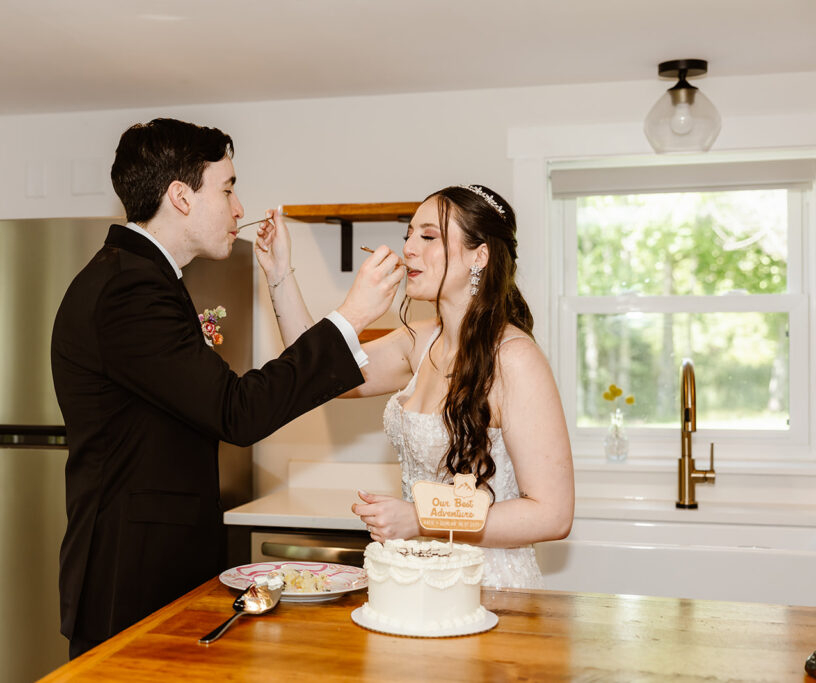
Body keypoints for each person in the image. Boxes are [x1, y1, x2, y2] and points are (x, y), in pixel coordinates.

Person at [50, 118, 404, 658]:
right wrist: (351, 315)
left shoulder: (140, 277)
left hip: (148, 567)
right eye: (229, 188)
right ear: (180, 197)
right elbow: (236, 412)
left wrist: (281, 277)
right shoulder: (131, 289)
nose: (240, 208)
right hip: (131, 576)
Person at [256, 184, 574, 589]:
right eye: (409, 235)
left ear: (480, 255)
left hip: (486, 586)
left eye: (428, 237)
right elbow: (318, 371)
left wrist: (421, 519)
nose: (408, 249)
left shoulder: (514, 358)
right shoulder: (417, 342)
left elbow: (553, 514)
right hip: (410, 577)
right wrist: (279, 274)